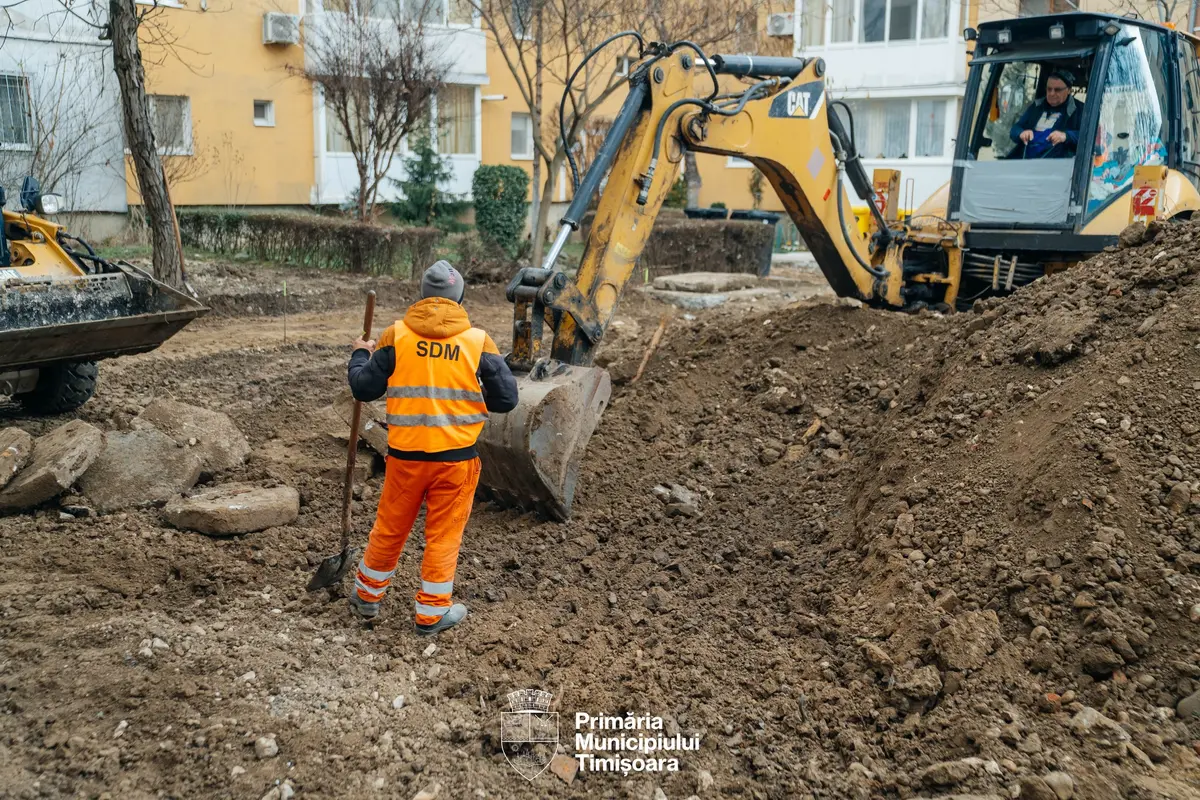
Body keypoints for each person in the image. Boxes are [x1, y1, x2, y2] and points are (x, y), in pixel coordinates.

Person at [346, 260, 518, 635]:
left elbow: (363, 388)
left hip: (405, 460)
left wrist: (361, 353)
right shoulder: (478, 341)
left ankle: (367, 597)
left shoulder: (396, 336)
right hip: (455, 462)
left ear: (423, 295)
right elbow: (506, 399)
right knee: (443, 536)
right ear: (459, 299)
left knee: (390, 528)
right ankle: (432, 613)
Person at [1009, 69, 1084, 159]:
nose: (1052, 93)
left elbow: (1089, 137)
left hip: (1057, 168)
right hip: (1024, 163)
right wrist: (1021, 133)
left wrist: (1066, 136)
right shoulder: (1036, 106)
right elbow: (1015, 129)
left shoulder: (1080, 110)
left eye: (1057, 90)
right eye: (1049, 89)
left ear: (1069, 90)